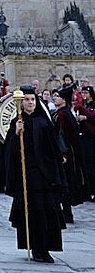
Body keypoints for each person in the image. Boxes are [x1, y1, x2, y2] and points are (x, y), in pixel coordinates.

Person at [4, 86, 67, 263]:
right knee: (32, 212)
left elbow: (53, 147)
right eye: (26, 100)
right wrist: (16, 134)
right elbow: (11, 151)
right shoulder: (17, 122)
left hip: (45, 174)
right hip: (28, 174)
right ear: (21, 103)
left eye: (32, 100)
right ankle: (35, 247)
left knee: (47, 212)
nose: (30, 103)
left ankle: (45, 247)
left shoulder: (43, 122)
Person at [52, 86, 86, 222]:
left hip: (65, 154)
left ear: (64, 100)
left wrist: (63, 154)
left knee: (64, 183)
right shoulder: (60, 113)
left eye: (58, 96)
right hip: (65, 153)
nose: (55, 98)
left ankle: (67, 213)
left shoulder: (63, 115)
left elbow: (62, 136)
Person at [76, 85, 95, 201]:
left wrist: (86, 118)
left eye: (86, 93)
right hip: (83, 137)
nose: (84, 95)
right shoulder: (82, 105)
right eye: (82, 93)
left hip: (92, 139)